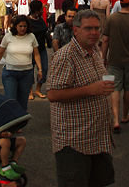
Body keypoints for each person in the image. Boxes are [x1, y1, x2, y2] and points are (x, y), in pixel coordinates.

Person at [47, 10, 115, 187]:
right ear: (76, 30)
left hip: (97, 138)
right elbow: (53, 94)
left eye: (97, 28)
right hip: (74, 141)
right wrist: (90, 90)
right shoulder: (65, 56)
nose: (94, 32)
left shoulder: (94, 51)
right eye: (88, 28)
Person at [101, 0, 129, 131]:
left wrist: (103, 57)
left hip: (114, 59)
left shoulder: (112, 19)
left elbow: (105, 40)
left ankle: (115, 119)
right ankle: (125, 115)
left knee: (115, 88)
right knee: (128, 89)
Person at [0, 15, 42, 110]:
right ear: (15, 26)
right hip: (10, 73)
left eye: (25, 26)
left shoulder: (31, 37)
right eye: (20, 26)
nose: (22, 28)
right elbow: (0, 53)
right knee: (10, 101)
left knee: (23, 102)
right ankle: (10, 122)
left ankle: (21, 122)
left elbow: (36, 54)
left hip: (26, 74)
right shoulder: (8, 36)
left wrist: (40, 69)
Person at [28, 0, 49, 99]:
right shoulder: (28, 21)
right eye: (41, 9)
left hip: (41, 48)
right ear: (36, 10)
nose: (43, 10)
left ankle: (38, 89)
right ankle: (30, 91)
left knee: (44, 69)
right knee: (30, 70)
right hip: (30, 50)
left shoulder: (40, 19)